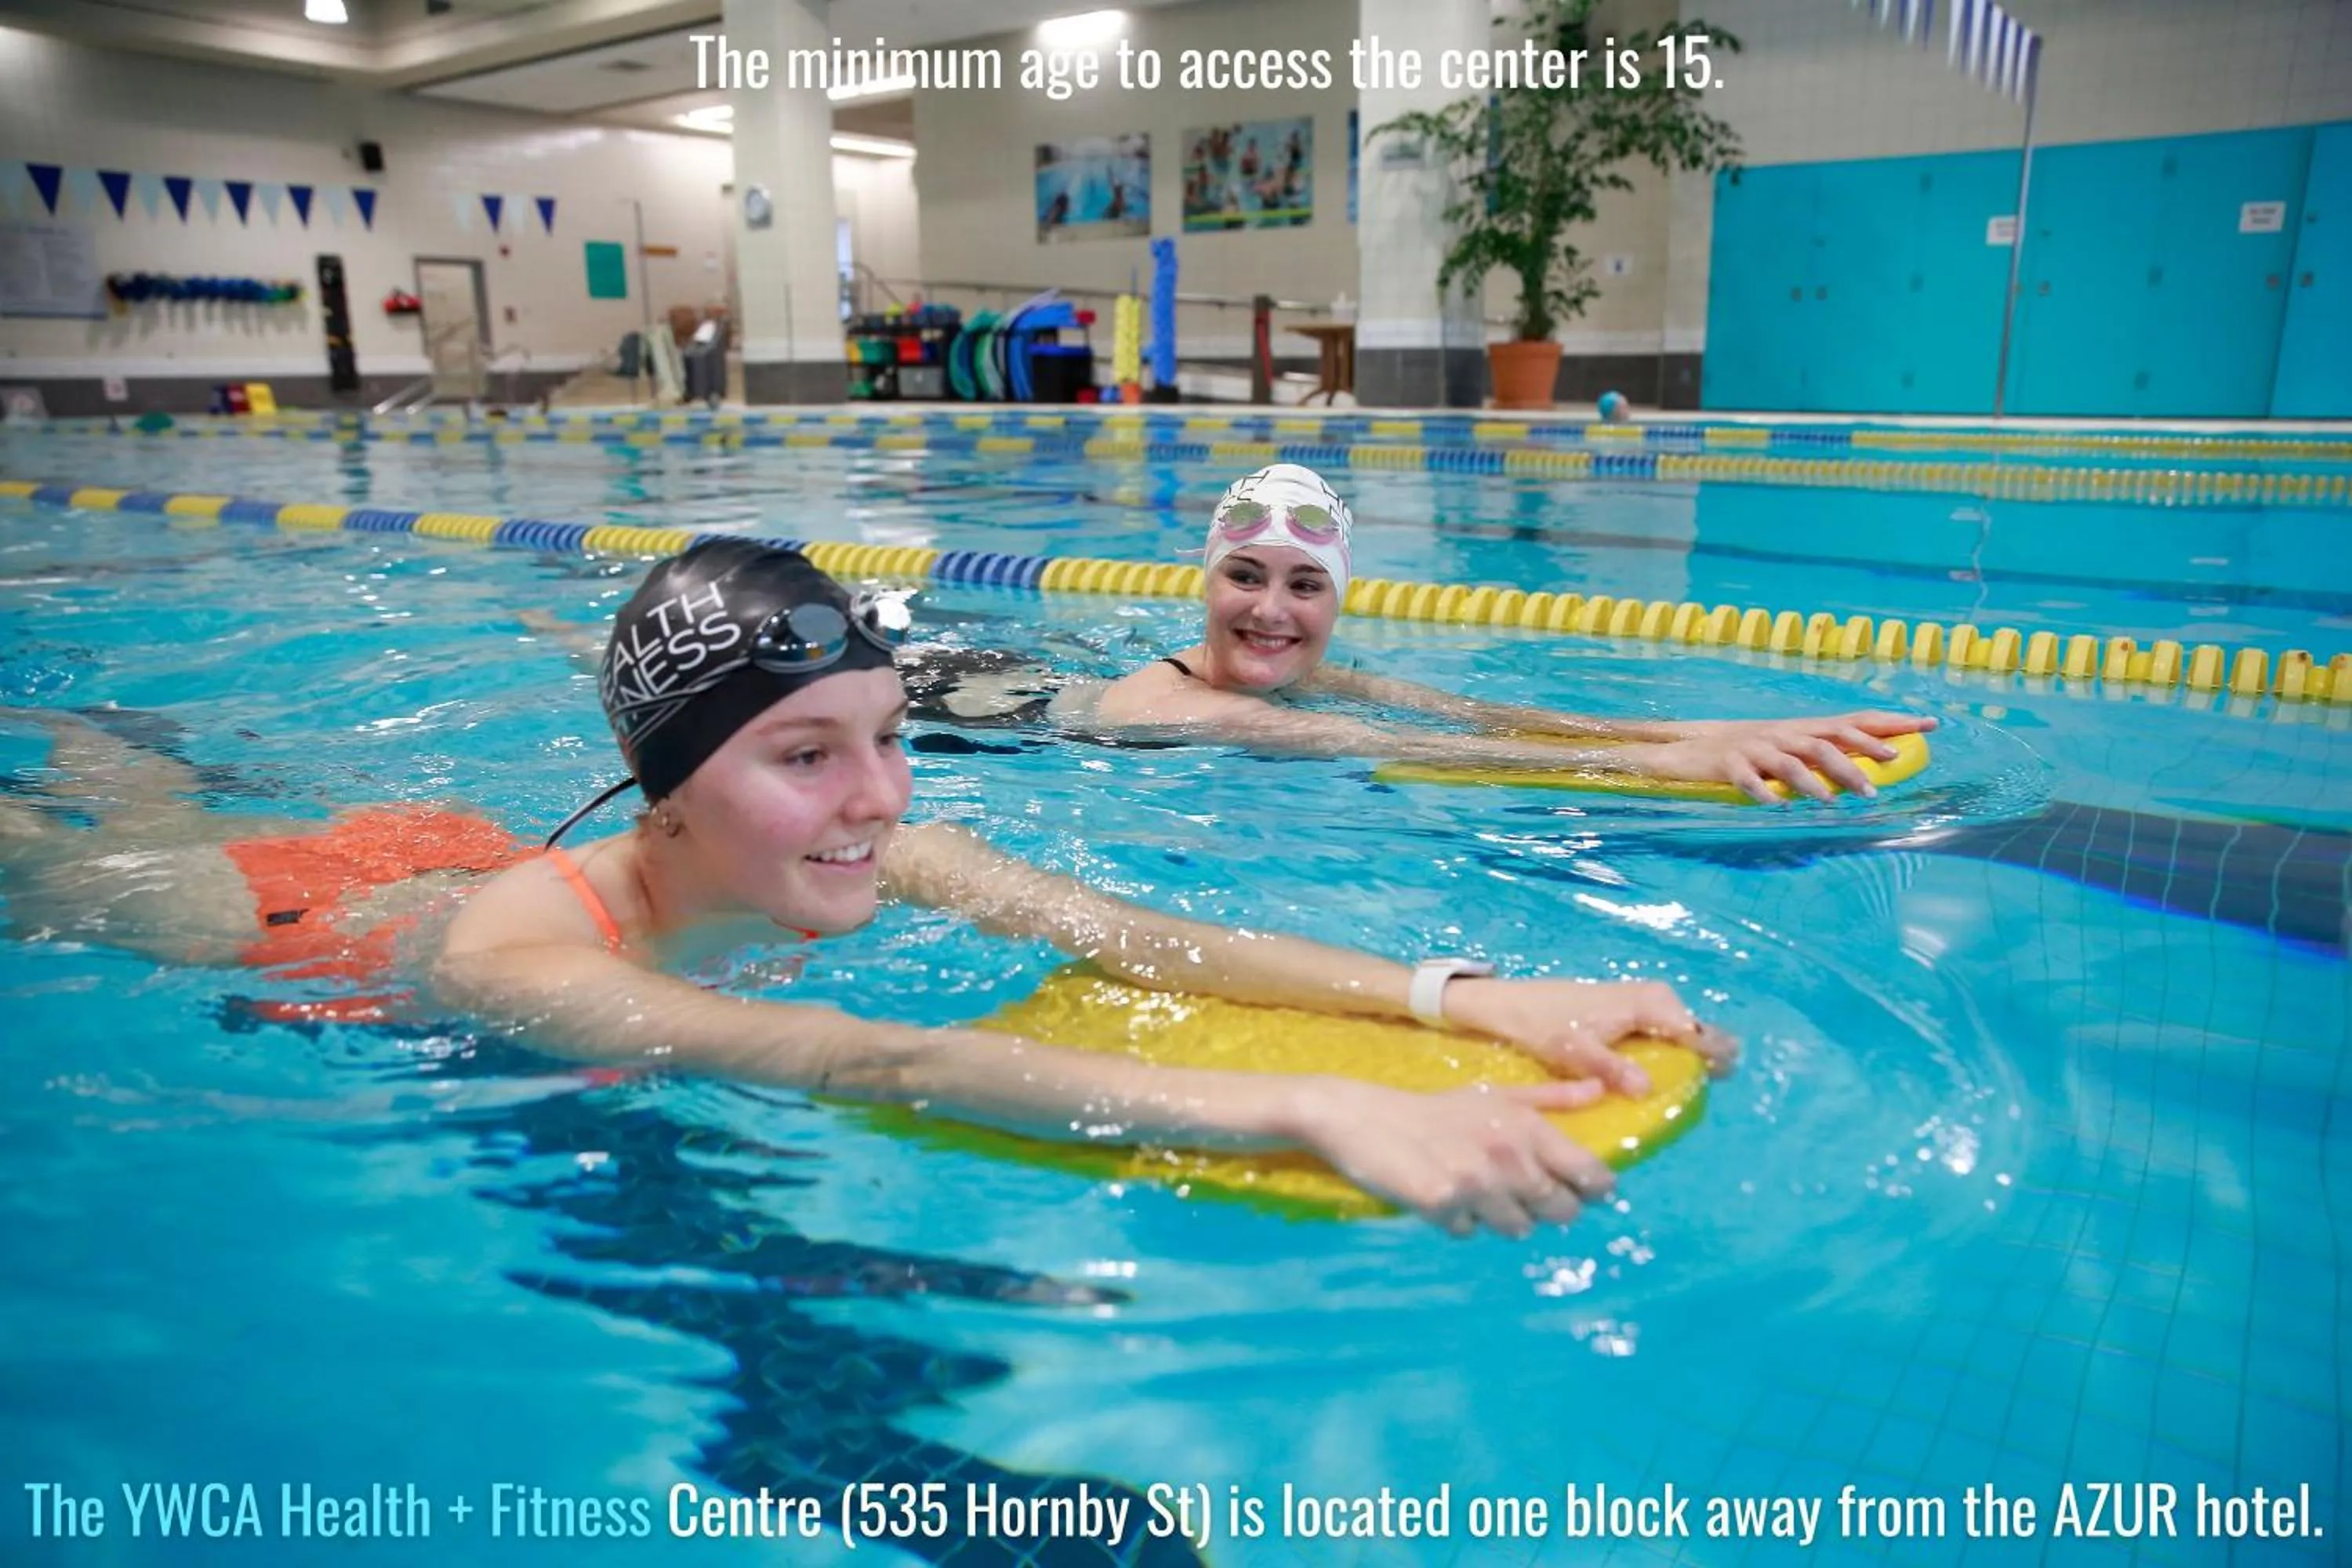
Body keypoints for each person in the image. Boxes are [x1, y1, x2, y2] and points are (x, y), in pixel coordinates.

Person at [0, 543, 1734, 1238]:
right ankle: (79, 750)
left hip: (455, 833)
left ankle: (101, 741)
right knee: (54, 864)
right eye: (806, 754)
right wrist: (1308, 1104)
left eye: (889, 738)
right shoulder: (524, 966)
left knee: (123, 781)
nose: (881, 800)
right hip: (296, 922)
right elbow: (860, 1058)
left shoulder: (863, 840)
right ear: (675, 784)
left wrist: (1470, 998)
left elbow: (1145, 937)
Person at [1076, 464, 1939, 804]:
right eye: (1244, 576)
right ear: (1205, 579)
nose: (1270, 611)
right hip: (996, 718)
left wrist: (1724, 730)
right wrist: (1663, 766)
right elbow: (1388, 744)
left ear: (1337, 603)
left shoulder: (1301, 678)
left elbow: (1476, 716)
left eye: (1305, 585)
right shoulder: (1168, 701)